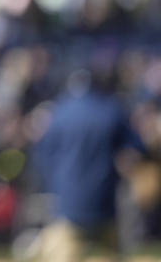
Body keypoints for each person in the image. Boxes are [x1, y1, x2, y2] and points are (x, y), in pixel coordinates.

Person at [28, 68, 145, 262]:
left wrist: (54, 184)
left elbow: (41, 156)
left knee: (61, 254)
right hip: (104, 199)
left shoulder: (58, 112)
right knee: (110, 254)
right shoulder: (111, 109)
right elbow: (135, 148)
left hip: (67, 201)